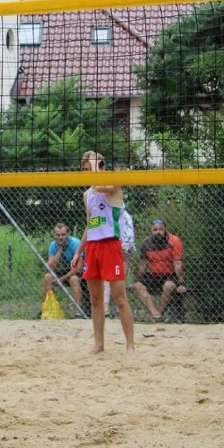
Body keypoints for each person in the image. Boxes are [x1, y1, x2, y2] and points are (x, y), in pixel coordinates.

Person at [70, 151, 135, 355]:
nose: (88, 173)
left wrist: (96, 163)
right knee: (96, 300)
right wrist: (78, 253)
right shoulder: (87, 194)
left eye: (90, 169)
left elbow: (99, 185)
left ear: (100, 165)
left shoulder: (112, 184)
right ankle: (99, 345)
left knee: (120, 298)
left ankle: (130, 346)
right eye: (86, 170)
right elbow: (90, 225)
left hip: (110, 245)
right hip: (93, 248)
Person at [130, 219, 186, 320]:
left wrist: (182, 283)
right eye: (155, 230)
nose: (158, 232)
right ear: (151, 231)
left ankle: (158, 315)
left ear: (165, 230)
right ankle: (156, 315)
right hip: (154, 276)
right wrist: (136, 281)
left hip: (170, 275)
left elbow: (178, 264)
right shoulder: (147, 243)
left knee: (169, 286)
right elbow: (142, 265)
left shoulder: (174, 241)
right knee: (137, 286)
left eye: (160, 229)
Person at [41, 223, 82, 312]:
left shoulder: (75, 243)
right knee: (48, 277)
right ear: (54, 236)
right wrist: (60, 250)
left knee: (73, 279)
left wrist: (61, 280)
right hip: (66, 270)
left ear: (68, 234)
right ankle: (46, 310)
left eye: (63, 235)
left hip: (79, 272)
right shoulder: (53, 245)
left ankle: (78, 312)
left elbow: (78, 268)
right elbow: (51, 268)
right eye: (58, 235)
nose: (61, 238)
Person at [103, 209, 136, 317]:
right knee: (120, 279)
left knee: (109, 279)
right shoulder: (127, 215)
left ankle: (106, 308)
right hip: (127, 246)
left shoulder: (108, 212)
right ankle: (118, 309)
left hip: (115, 245)